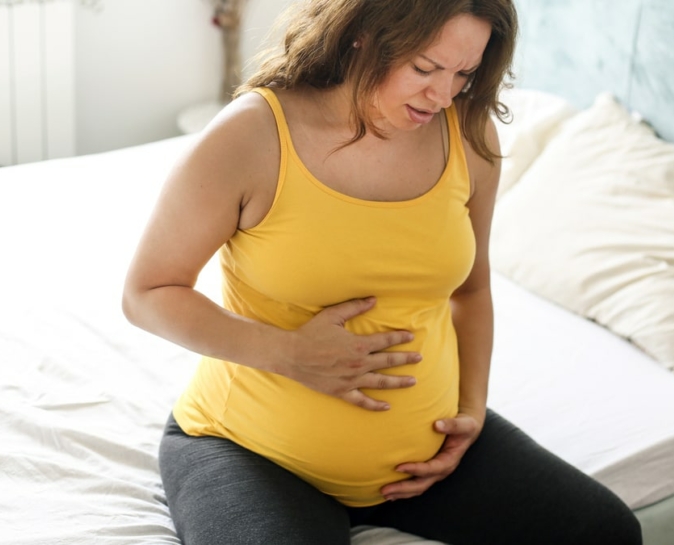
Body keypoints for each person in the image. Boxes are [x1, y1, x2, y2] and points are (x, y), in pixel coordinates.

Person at [122, 0, 642, 543]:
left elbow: (473, 287)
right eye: (424, 69)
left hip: (424, 459)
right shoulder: (253, 134)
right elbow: (147, 292)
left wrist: (471, 410)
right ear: (363, 37)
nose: (442, 95)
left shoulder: (468, 132)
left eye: (463, 73)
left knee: (607, 531)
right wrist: (291, 355)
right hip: (251, 448)